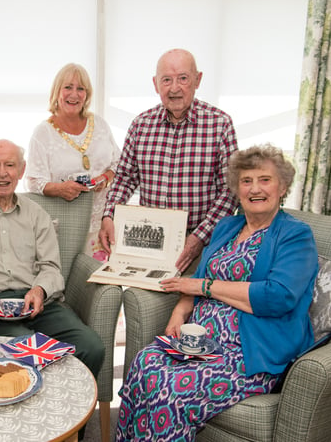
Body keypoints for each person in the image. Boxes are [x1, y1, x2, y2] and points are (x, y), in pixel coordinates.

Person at [116, 145, 318, 441]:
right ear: (237, 189)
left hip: (248, 352)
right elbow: (199, 277)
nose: (255, 189)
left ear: (282, 186)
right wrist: (179, 312)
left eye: (265, 179)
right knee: (144, 363)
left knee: (173, 388)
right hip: (199, 341)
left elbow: (278, 296)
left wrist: (203, 288)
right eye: (246, 181)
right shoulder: (227, 227)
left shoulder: (295, 235)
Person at [0, 139, 105, 380]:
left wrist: (39, 291)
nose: (2, 173)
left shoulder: (37, 214)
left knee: (91, 346)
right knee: (24, 349)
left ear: (21, 170)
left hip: (34, 301)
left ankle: (67, 416)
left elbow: (51, 268)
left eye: (10, 165)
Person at [99, 49, 239, 274]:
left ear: (197, 80)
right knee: (141, 300)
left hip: (202, 242)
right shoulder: (140, 125)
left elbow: (231, 190)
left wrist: (198, 238)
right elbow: (124, 179)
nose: (174, 88)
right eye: (167, 80)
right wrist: (109, 215)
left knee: (192, 305)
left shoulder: (220, 124)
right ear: (156, 84)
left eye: (183, 78)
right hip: (149, 241)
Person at [26, 63, 121, 261]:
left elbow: (119, 163)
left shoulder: (100, 124)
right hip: (63, 228)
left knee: (101, 286)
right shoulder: (43, 133)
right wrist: (60, 189)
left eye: (81, 89)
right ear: (57, 91)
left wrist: (106, 177)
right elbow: (34, 182)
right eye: (68, 87)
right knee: (65, 285)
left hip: (101, 225)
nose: (74, 94)